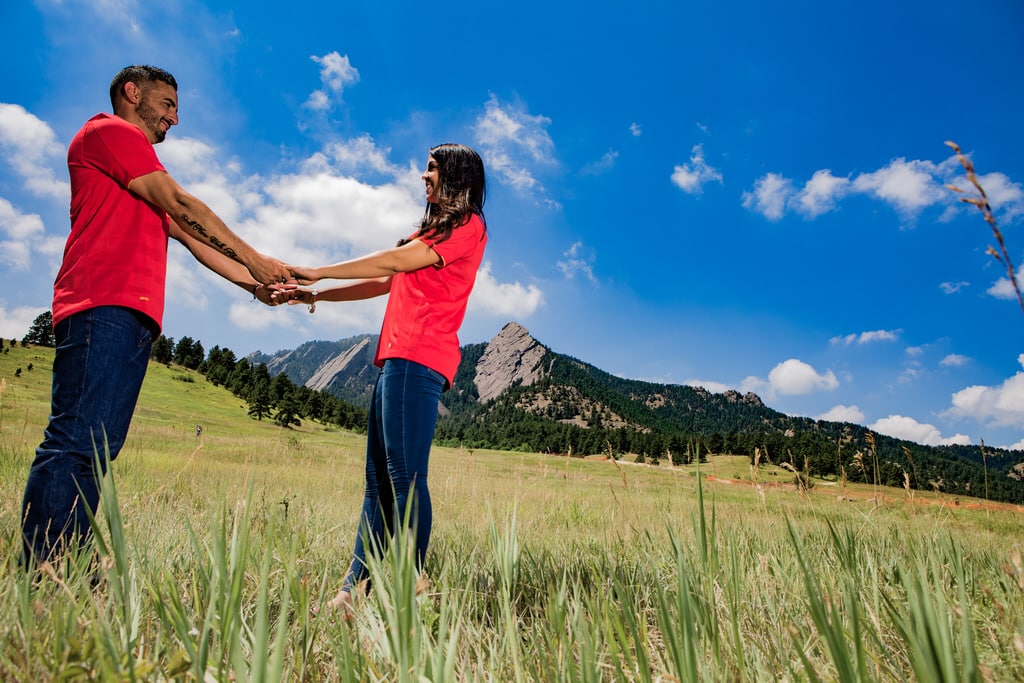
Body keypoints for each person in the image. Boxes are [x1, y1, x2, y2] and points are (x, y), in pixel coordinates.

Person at [20, 65, 290, 566]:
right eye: (167, 104)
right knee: (75, 439)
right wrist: (256, 258)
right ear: (132, 93)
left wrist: (256, 285)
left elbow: (193, 238)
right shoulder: (108, 133)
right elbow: (182, 203)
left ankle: (68, 564)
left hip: (134, 316)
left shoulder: (135, 171)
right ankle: (44, 570)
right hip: (99, 302)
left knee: (98, 447)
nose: (174, 118)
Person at [278, 143, 488, 612]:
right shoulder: (427, 233)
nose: (422, 176)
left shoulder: (469, 228)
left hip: (419, 357)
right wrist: (316, 293)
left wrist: (318, 270)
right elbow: (383, 281)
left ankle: (413, 586)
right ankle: (352, 592)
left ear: (456, 177)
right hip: (395, 358)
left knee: (405, 476)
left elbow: (392, 264)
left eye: (432, 169)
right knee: (378, 482)